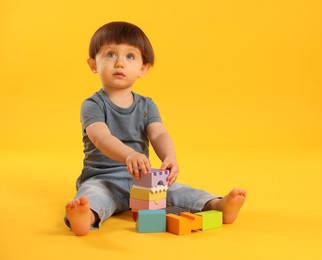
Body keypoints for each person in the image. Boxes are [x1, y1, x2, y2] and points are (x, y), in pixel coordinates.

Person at [65, 21, 246, 236]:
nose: (120, 63)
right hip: (103, 178)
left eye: (130, 56)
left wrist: (170, 156)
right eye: (111, 54)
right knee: (93, 194)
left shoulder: (146, 104)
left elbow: (158, 133)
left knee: (178, 191)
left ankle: (216, 205)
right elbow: (100, 137)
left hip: (144, 178)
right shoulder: (93, 104)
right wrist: (129, 155)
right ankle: (85, 217)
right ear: (93, 64)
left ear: (143, 68)